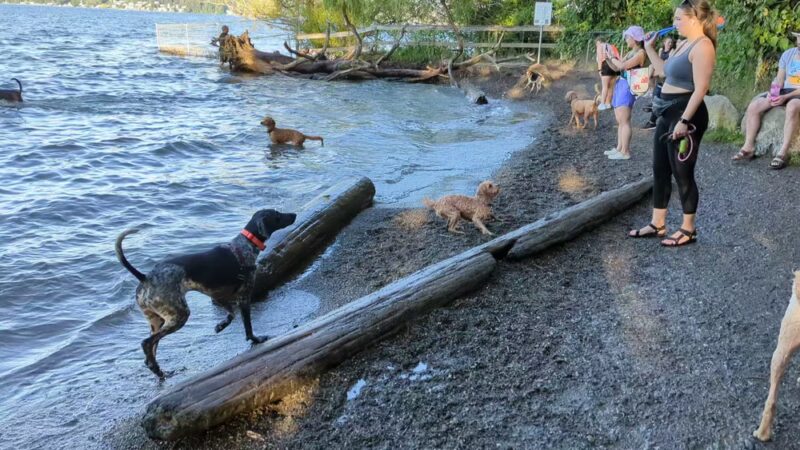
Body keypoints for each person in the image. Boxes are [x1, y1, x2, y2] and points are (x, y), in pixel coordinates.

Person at [628, 0, 718, 247]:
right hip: (666, 113)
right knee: (660, 168)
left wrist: (684, 121)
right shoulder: (683, 44)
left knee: (683, 173)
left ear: (694, 19)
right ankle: (658, 223)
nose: (674, 22)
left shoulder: (703, 46)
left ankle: (688, 229)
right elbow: (664, 71)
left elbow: (701, 89)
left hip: (686, 114)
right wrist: (648, 48)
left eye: (679, 18)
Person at [732, 31, 800, 169]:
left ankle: (783, 152)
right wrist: (773, 93)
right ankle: (748, 147)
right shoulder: (788, 54)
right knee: (755, 106)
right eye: (799, 37)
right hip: (785, 89)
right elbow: (780, 79)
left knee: (793, 106)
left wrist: (785, 97)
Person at [603, 26, 648, 160]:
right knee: (620, 120)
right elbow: (617, 67)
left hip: (628, 86)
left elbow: (622, 66)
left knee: (624, 120)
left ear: (635, 39)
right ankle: (619, 148)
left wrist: (612, 56)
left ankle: (625, 151)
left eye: (628, 37)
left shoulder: (640, 53)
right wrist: (608, 59)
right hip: (621, 83)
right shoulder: (631, 52)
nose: (626, 39)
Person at [642, 36, 675, 130]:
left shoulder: (672, 52)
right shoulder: (661, 50)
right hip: (659, 75)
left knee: (659, 100)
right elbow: (656, 60)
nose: (669, 44)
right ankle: (652, 120)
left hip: (665, 74)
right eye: (668, 42)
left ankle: (653, 121)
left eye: (671, 43)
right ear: (664, 43)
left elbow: (666, 64)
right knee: (652, 66)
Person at [596, 36, 620, 111]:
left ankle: (602, 104)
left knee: (605, 86)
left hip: (605, 65)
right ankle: (608, 104)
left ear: (599, 41)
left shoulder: (600, 46)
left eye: (596, 43)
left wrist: (599, 70)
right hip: (614, 66)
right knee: (611, 87)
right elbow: (617, 56)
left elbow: (600, 58)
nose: (596, 45)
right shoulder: (611, 46)